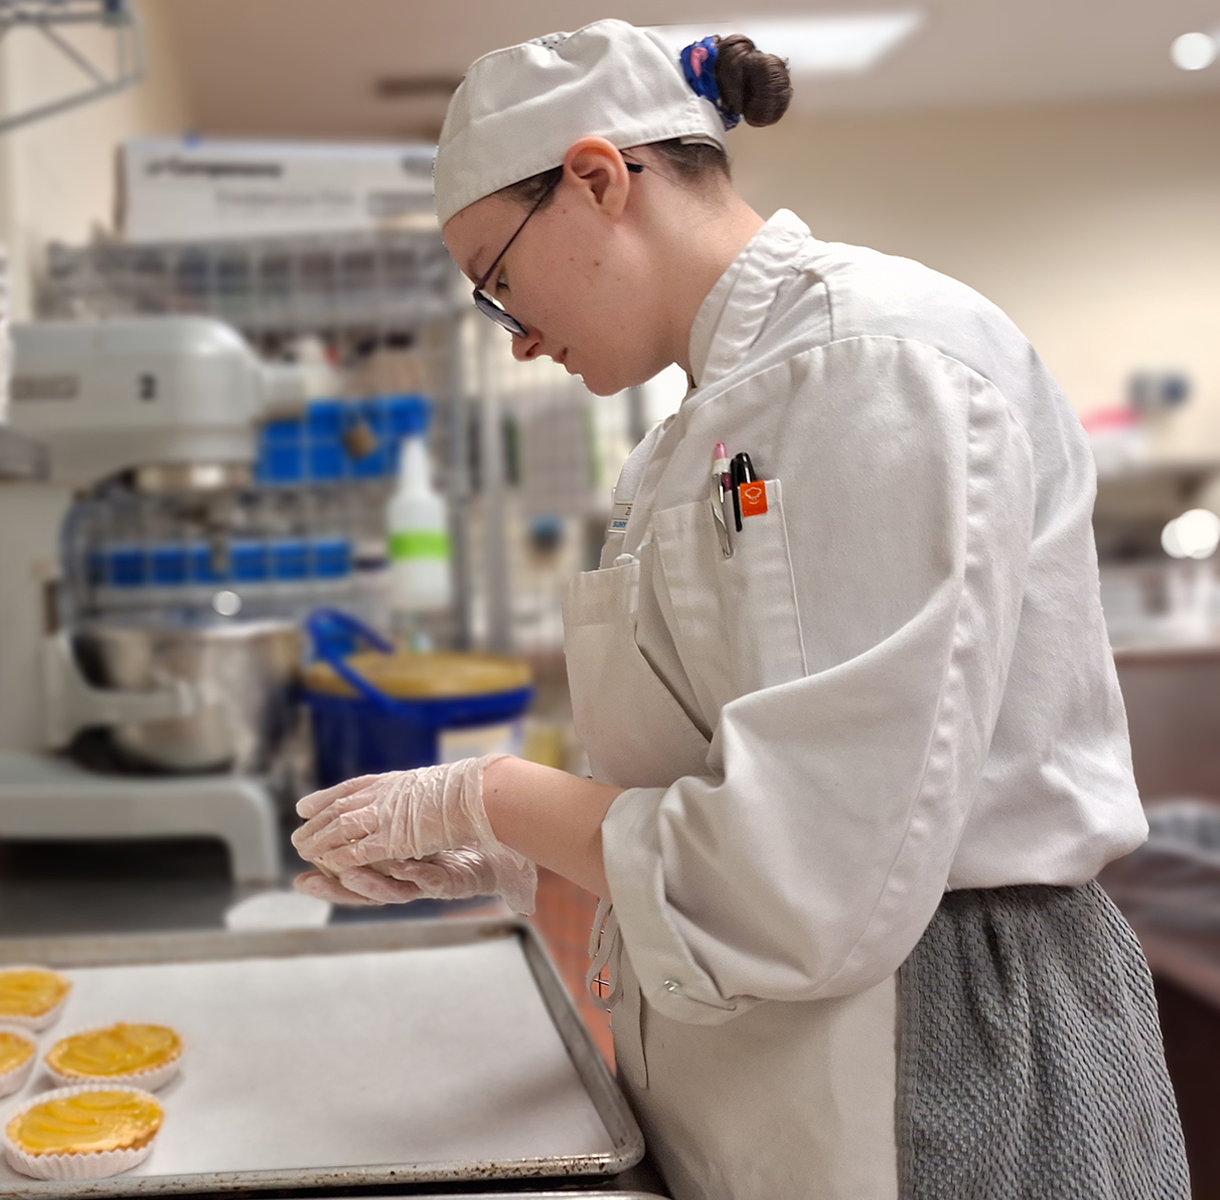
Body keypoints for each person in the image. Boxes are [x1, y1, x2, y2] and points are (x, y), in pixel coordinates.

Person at [291, 19, 1188, 1200]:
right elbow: (744, 777)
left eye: (501, 284)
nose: (515, 342)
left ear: (600, 179)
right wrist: (527, 861)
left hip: (937, 1046)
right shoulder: (721, 419)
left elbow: (806, 870)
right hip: (799, 1055)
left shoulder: (871, 366)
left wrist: (498, 796)